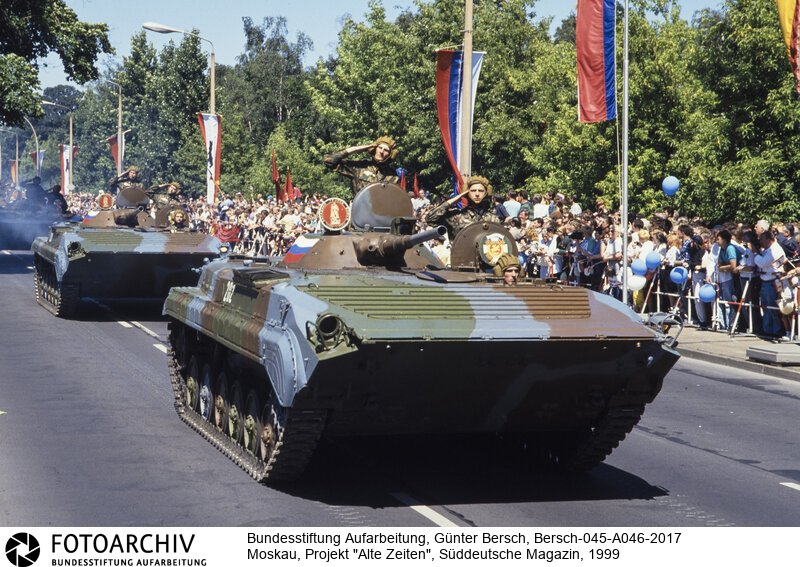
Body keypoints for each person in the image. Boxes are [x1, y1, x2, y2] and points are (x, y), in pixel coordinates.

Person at [425, 175, 500, 239]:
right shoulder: (456, 216)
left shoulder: (493, 219)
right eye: (473, 191)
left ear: (486, 193)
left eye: (480, 191)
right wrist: (456, 199)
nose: (477, 194)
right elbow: (431, 219)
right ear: (467, 193)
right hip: (460, 255)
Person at [323, 136, 400, 194]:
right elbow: (329, 161)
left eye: (386, 150)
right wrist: (354, 149)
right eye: (380, 147)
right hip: (360, 212)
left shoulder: (393, 176)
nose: (382, 151)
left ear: (390, 155)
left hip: (382, 214)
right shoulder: (359, 167)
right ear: (375, 148)